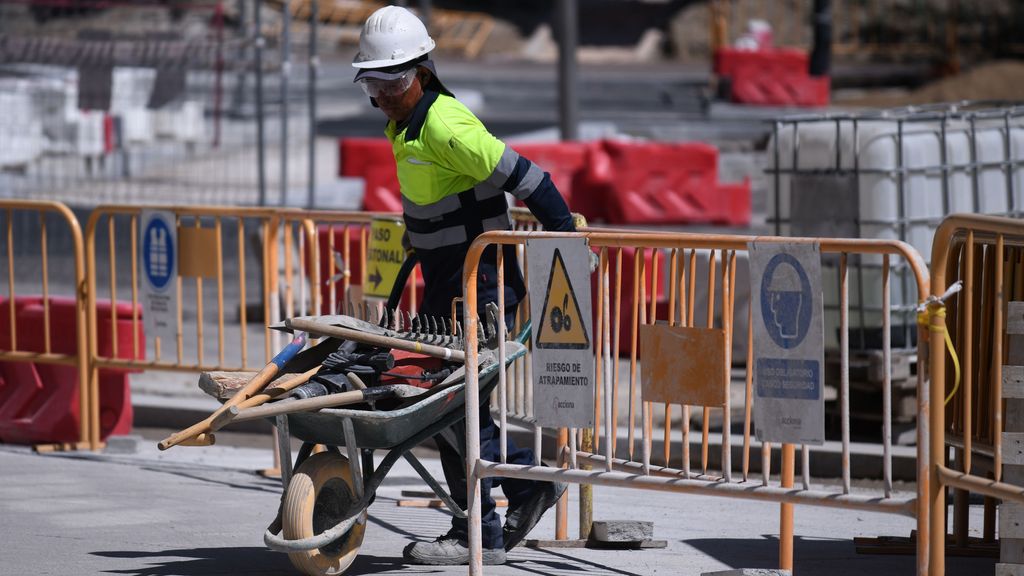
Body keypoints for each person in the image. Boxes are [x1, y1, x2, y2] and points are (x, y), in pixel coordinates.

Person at [352, 5, 572, 567]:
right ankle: (518, 494)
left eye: (391, 82)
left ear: (421, 73)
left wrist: (566, 240)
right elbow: (439, 199)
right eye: (372, 83)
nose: (381, 94)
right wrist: (419, 239)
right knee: (454, 408)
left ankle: (484, 528)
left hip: (480, 284)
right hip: (444, 281)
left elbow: (531, 181)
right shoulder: (407, 123)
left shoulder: (446, 124)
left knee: (453, 407)